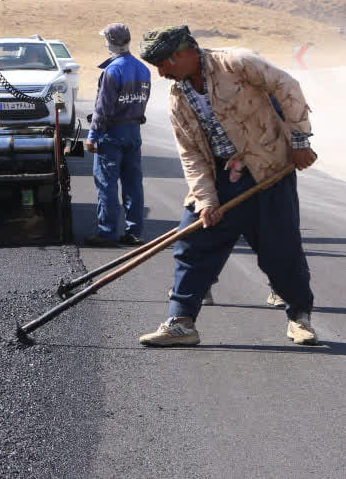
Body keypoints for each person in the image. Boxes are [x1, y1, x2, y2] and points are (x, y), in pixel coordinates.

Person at [136, 25, 319, 348]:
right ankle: (181, 322)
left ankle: (299, 318)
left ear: (183, 54)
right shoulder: (179, 99)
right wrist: (206, 200)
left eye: (164, 64)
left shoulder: (237, 63)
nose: (161, 73)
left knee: (281, 252)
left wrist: (300, 140)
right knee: (192, 245)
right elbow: (191, 154)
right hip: (222, 179)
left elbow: (287, 86)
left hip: (269, 173)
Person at [82, 23, 151, 247]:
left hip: (112, 134)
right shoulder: (143, 69)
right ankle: (134, 232)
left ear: (111, 42)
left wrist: (92, 136)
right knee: (133, 183)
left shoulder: (112, 71)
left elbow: (103, 109)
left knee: (107, 184)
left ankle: (107, 232)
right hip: (133, 132)